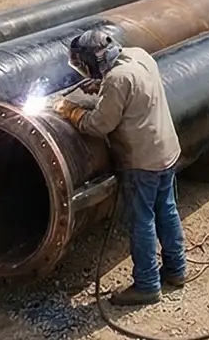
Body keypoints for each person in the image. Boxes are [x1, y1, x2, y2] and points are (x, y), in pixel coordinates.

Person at [55, 27, 186, 307]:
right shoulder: (138, 56)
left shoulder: (117, 78)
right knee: (167, 210)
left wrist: (72, 112)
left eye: (85, 65)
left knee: (142, 220)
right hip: (167, 149)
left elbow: (100, 124)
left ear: (95, 60)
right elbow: (131, 92)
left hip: (142, 161)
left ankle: (148, 285)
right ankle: (176, 270)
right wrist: (99, 87)